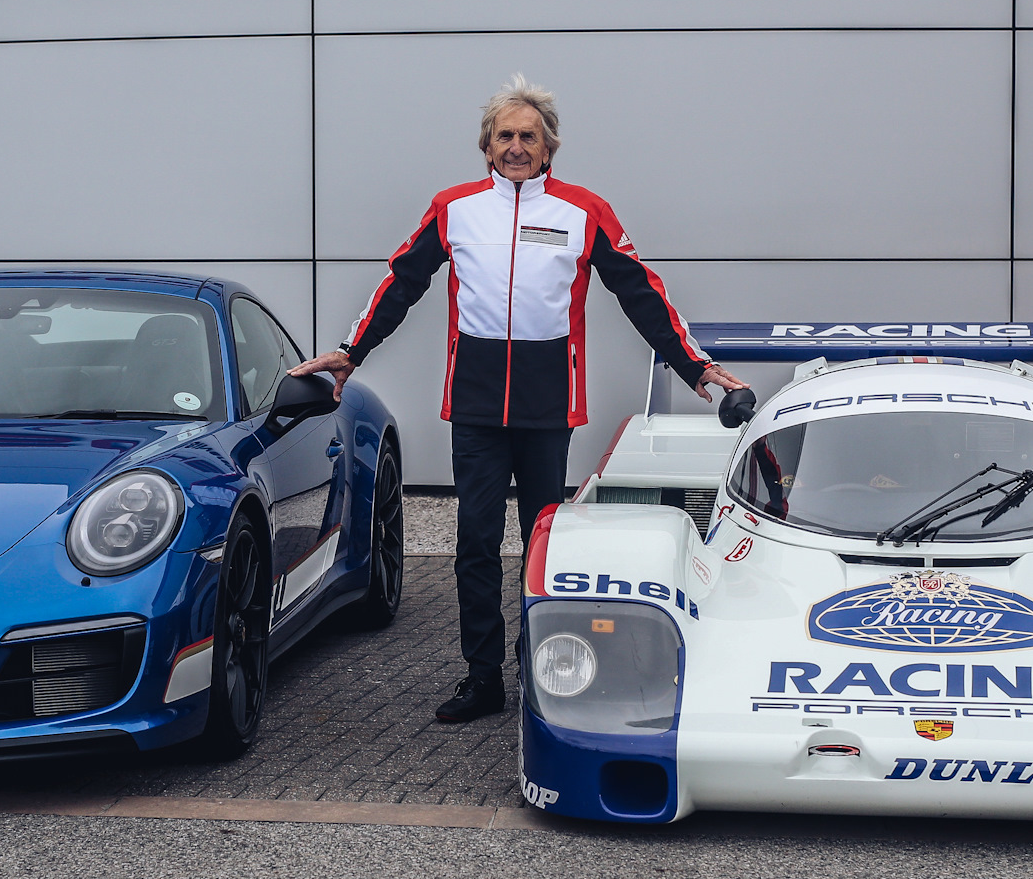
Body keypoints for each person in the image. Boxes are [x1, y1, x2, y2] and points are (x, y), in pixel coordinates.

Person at [290, 75, 745, 722]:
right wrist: (351, 351)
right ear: (486, 145)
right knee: (474, 542)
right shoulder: (455, 208)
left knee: (543, 546)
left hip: (546, 407)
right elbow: (402, 282)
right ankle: (482, 677)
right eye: (504, 135)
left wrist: (698, 369)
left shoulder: (584, 211)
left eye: (528, 135)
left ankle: (544, 675)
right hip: (475, 407)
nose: (515, 145)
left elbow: (640, 293)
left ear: (548, 144)